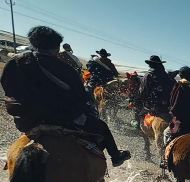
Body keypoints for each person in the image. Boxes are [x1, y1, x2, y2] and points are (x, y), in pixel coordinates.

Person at [1, 26, 130, 166]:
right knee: (102, 126)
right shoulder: (64, 68)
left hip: (27, 121)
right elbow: (81, 97)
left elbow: (7, 87)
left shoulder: (15, 63)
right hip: (62, 120)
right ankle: (116, 157)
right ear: (55, 47)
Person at [139, 55, 175, 121]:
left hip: (153, 107)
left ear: (150, 64)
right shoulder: (166, 76)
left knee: (141, 115)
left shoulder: (148, 75)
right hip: (167, 106)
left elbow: (143, 92)